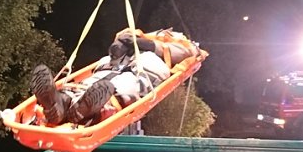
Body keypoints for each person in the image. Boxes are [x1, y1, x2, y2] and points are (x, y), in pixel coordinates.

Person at [30, 28, 198, 126]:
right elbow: (120, 39)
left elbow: (190, 53)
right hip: (114, 65)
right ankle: (63, 102)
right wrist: (119, 45)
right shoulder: (136, 32)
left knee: (124, 83)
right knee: (95, 80)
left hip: (144, 68)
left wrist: (150, 45)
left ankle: (85, 109)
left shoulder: (178, 42)